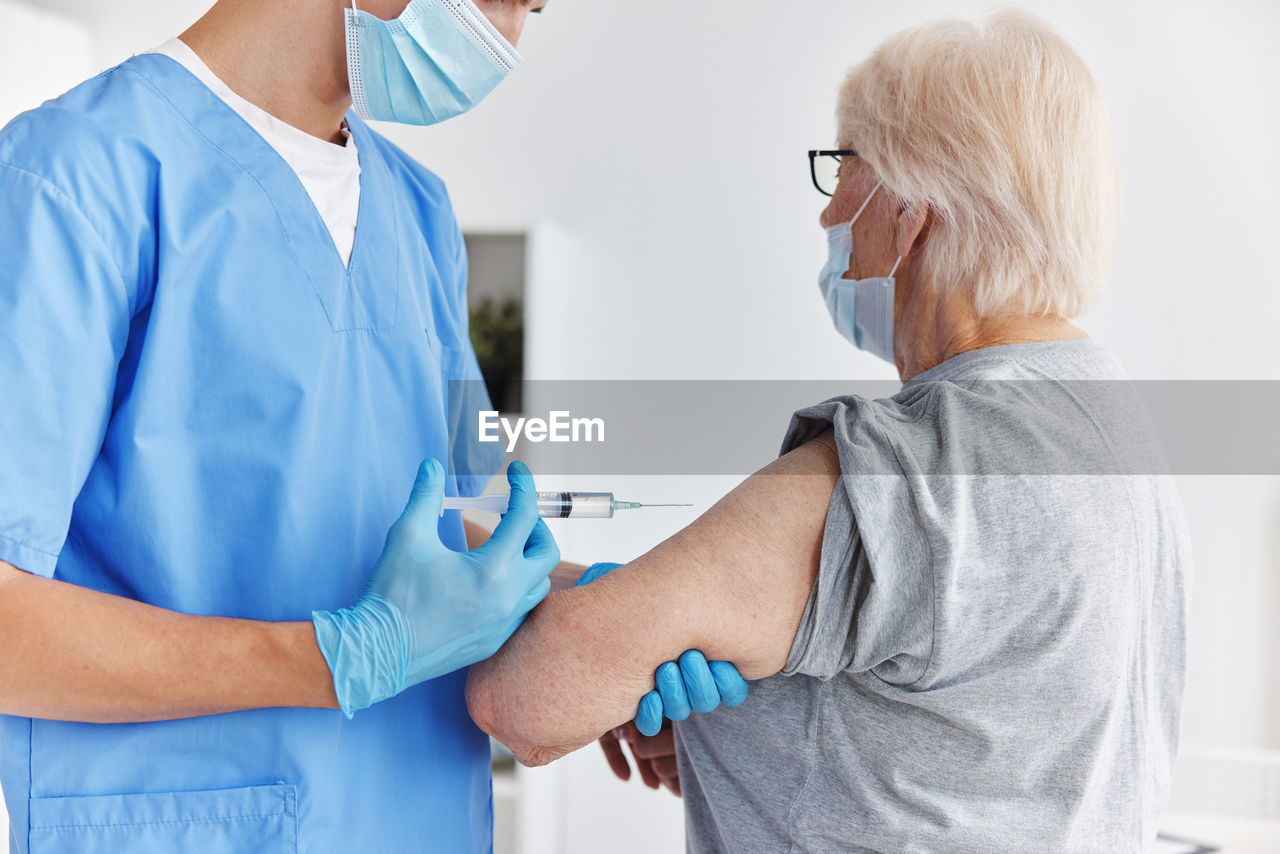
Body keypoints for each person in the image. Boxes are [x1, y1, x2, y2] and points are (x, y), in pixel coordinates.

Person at [0, 1, 741, 851]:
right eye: (508, 0)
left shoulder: (418, 214)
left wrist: (598, 622)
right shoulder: (73, 176)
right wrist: (339, 657)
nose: (510, 38)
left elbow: (435, 551)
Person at [466, 11, 1190, 852]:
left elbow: (529, 698)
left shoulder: (916, 467)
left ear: (914, 208)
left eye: (843, 167)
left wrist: (605, 641)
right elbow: (954, 727)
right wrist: (709, 710)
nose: (827, 215)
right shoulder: (1114, 430)